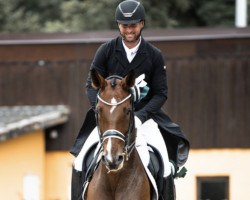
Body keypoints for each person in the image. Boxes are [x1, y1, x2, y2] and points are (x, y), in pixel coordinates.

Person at [70, 0, 190, 199]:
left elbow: (161, 93)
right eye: (125, 25)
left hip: (145, 118)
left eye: (133, 24)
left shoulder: (154, 55)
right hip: (109, 120)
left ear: (142, 24)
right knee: (79, 161)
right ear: (119, 25)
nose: (129, 29)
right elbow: (90, 86)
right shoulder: (105, 51)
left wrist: (140, 117)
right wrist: (104, 112)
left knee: (166, 166)